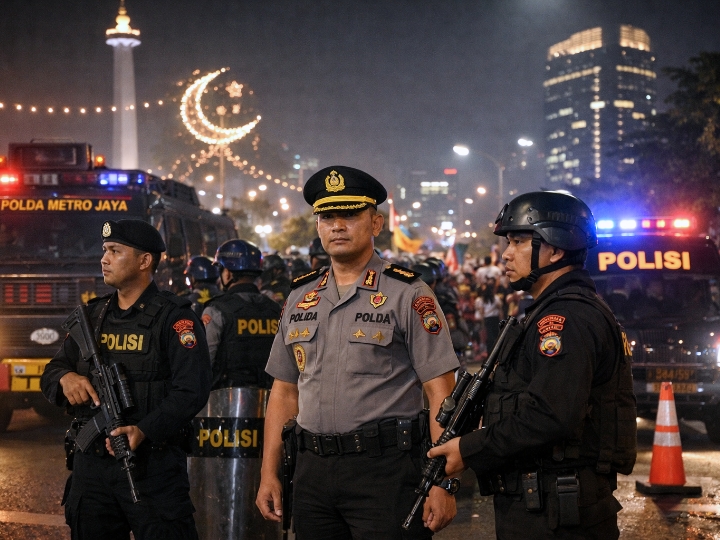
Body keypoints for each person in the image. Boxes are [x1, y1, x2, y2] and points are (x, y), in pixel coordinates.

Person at [256, 165, 459, 538]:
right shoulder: (300, 297)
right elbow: (284, 392)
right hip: (312, 473)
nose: (337, 226)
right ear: (318, 226)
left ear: (376, 223)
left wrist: (443, 482)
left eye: (349, 215)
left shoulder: (408, 294)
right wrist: (269, 473)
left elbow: (440, 393)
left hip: (385, 471)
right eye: (327, 217)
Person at [428, 191, 637, 539]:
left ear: (555, 249)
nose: (506, 254)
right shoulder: (554, 310)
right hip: (546, 506)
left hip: (558, 514)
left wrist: (468, 449)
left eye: (519, 241)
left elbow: (551, 414)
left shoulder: (565, 318)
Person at [40, 219, 212, 540]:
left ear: (144, 261)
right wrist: (65, 378)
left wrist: (144, 429)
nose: (104, 259)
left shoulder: (175, 318)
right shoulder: (92, 317)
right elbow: (51, 371)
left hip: (153, 467)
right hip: (92, 468)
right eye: (105, 250)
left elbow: (192, 390)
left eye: (115, 251)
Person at [202, 239, 281, 390]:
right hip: (270, 398)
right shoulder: (275, 309)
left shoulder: (216, 310)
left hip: (225, 399)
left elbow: (204, 363)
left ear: (228, 273)